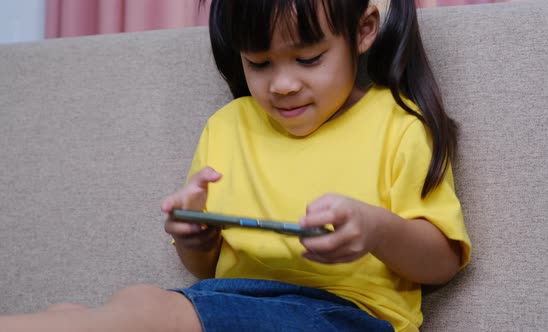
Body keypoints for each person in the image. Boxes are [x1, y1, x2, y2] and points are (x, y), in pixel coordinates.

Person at [0, 0, 471, 331]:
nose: (282, 85)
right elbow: (205, 271)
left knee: (150, 316)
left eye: (309, 58)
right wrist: (196, 238)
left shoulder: (400, 125)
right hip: (231, 301)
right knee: (131, 304)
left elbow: (443, 263)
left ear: (364, 29)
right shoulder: (229, 126)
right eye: (259, 63)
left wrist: (375, 230)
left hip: (348, 316)